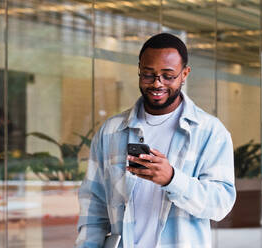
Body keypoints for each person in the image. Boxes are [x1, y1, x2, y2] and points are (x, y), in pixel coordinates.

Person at [75, 33, 236, 248]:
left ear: (185, 74)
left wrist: (172, 179)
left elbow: (221, 204)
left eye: (167, 76)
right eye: (148, 75)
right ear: (139, 71)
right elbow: (93, 209)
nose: (157, 83)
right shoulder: (111, 131)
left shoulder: (210, 132)